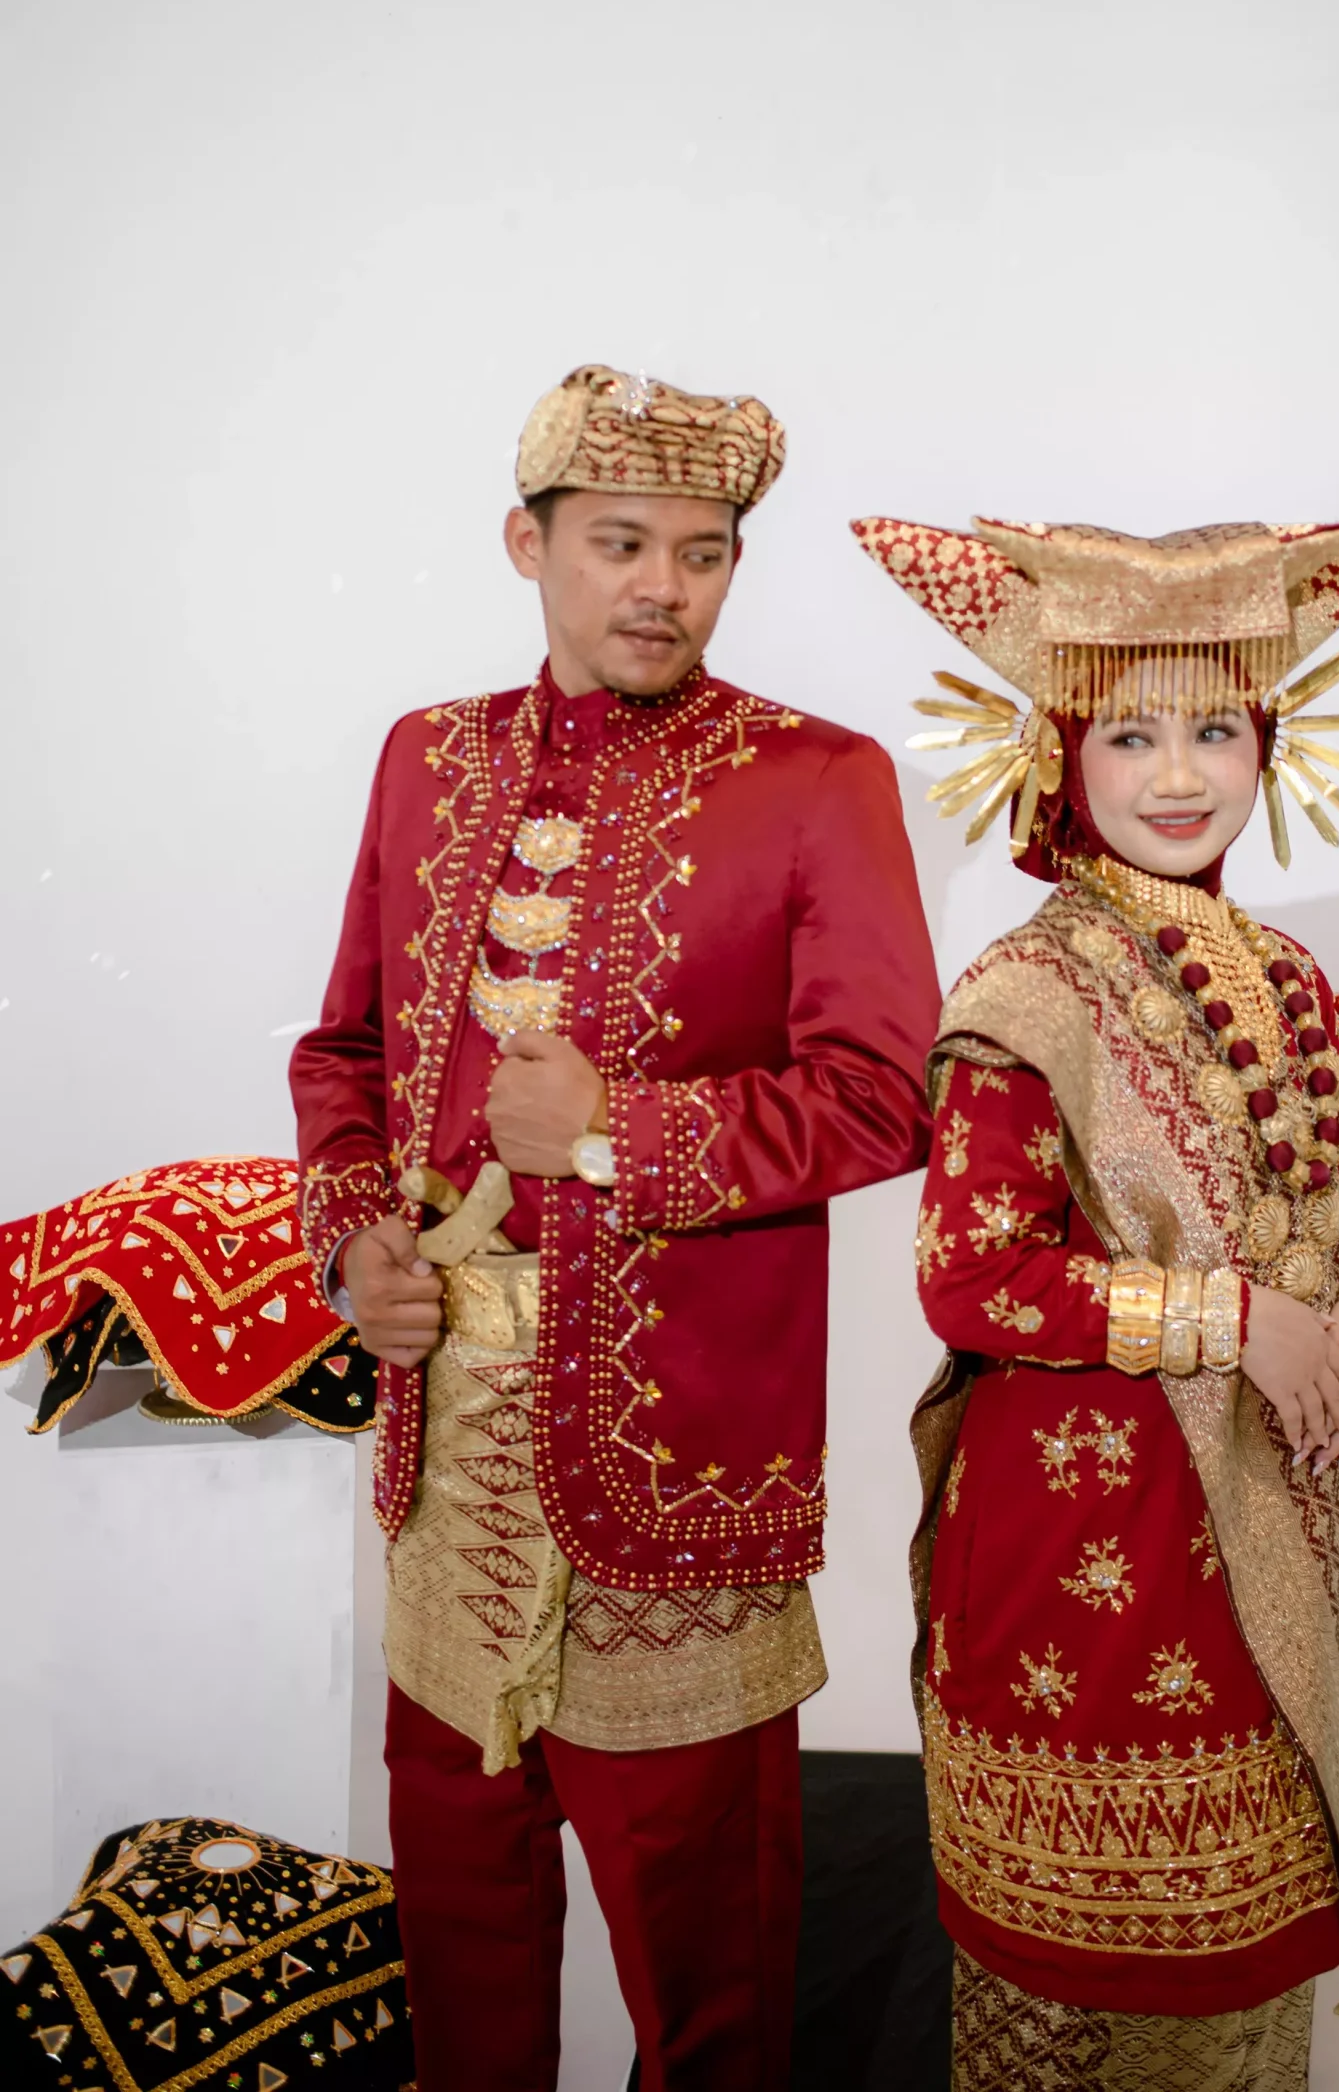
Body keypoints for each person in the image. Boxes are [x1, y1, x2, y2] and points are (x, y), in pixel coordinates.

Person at [291, 365, 940, 2092]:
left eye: (704, 553)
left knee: (704, 1969)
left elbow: (887, 1097)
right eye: (621, 543)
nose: (664, 586)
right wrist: (356, 1247)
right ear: (530, 545)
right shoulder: (428, 759)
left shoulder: (818, 779)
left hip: (683, 1460)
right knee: (464, 1927)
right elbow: (346, 1052)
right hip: (448, 1462)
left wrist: (609, 1136)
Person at [852, 505, 1339, 2092]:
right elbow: (971, 1278)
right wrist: (1235, 1320)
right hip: (1091, 1566)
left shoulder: (1290, 976)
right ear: (1059, 753)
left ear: (1269, 745)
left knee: (1250, 2024)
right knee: (1082, 2023)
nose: (1178, 774)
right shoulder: (1026, 990)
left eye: (1214, 730)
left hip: (1280, 1547)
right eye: (1130, 734)